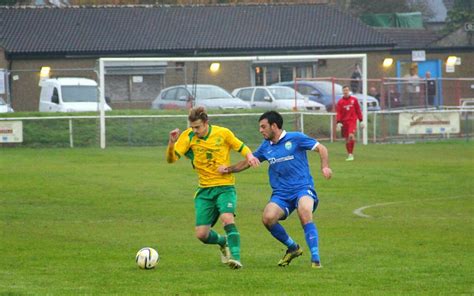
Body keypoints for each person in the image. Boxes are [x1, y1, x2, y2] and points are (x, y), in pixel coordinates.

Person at [219, 111, 332, 269]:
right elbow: (247, 162)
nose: (261, 130)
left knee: (305, 210)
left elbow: (321, 148)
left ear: (274, 126)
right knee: (268, 218)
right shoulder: (266, 147)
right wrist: (228, 169)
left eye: (263, 126)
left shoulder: (296, 138)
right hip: (281, 194)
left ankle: (316, 259)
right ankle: (293, 248)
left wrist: (325, 166)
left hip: (302, 188)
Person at [166, 106, 260, 269]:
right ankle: (223, 242)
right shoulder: (188, 136)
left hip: (225, 187)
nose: (195, 130)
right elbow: (171, 159)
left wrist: (250, 156)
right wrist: (172, 143)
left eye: (198, 127)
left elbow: (240, 146)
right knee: (202, 235)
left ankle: (236, 258)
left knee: (227, 218)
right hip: (204, 191)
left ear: (206, 123)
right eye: (192, 127)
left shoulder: (223, 133)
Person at [336, 85, 365, 161]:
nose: (345, 92)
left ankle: (351, 154)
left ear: (349, 91)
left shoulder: (354, 100)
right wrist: (338, 122)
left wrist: (361, 120)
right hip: (344, 122)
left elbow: (358, 110)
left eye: (347, 90)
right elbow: (338, 112)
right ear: (342, 91)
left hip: (352, 121)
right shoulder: (340, 102)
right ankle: (349, 154)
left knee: (351, 136)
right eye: (344, 90)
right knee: (347, 139)